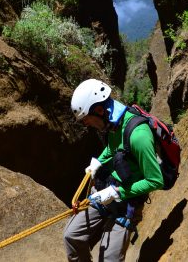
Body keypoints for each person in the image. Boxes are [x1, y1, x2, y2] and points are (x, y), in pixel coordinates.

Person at [63, 78, 164, 262]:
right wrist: (98, 162)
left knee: (109, 259)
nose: (87, 125)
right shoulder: (112, 124)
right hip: (106, 189)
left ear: (100, 110)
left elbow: (156, 180)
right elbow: (114, 148)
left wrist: (116, 192)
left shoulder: (138, 135)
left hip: (127, 203)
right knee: (71, 236)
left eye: (87, 120)